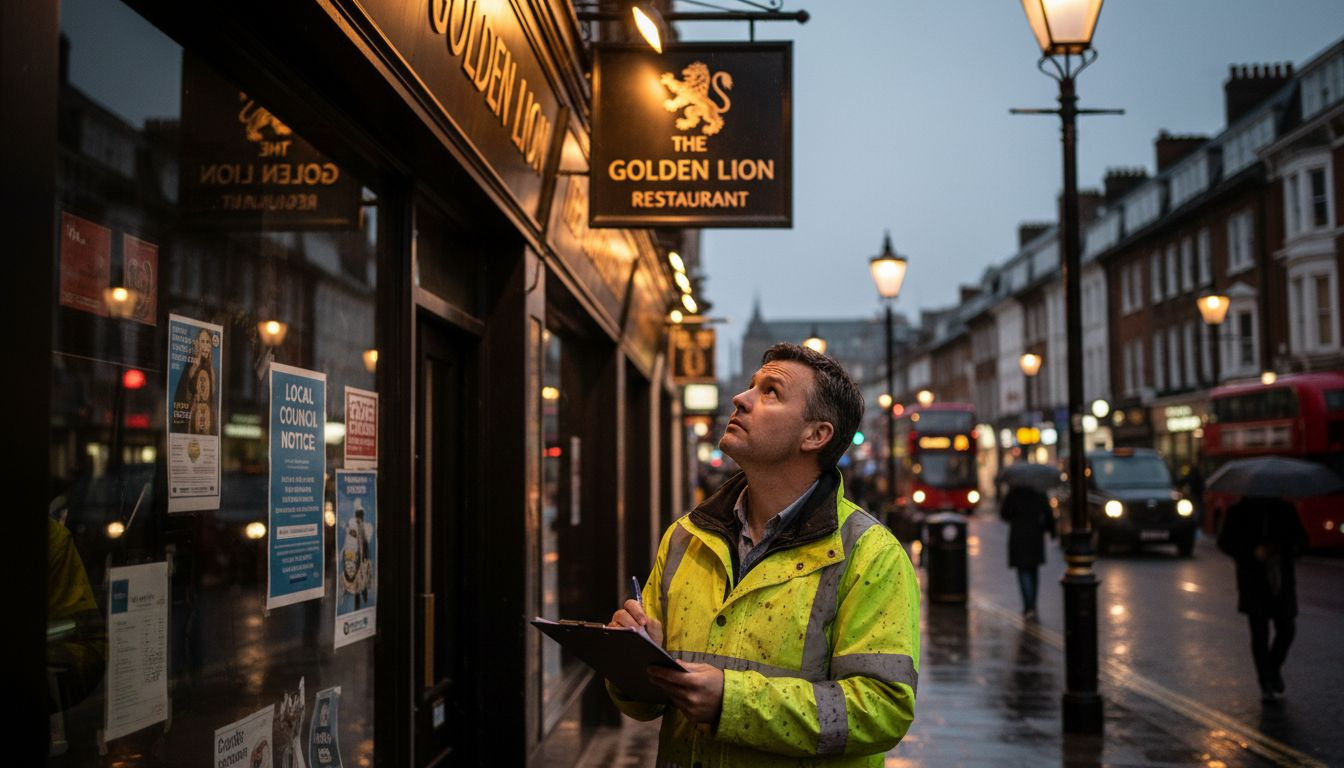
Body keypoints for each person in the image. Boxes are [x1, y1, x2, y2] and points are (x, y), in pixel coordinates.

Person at [608, 343, 919, 766]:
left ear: (816, 435)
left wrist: (730, 702)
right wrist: (633, 659)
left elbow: (882, 711)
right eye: (752, 385)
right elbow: (646, 706)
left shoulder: (870, 555)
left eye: (771, 391)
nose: (741, 398)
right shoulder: (686, 536)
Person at [1216, 496, 1308, 703]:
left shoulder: (1285, 508)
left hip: (1280, 580)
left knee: (1287, 629)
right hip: (1253, 579)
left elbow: (1301, 540)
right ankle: (1266, 682)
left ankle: (1272, 669)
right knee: (1260, 633)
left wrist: (1282, 549)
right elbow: (1225, 542)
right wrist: (1251, 552)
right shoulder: (1238, 510)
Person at [998, 482, 1055, 619]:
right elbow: (1048, 513)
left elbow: (1004, 514)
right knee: (1033, 571)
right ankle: (1032, 604)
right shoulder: (1039, 492)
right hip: (1035, 536)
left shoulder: (1014, 493)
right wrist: (1050, 530)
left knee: (1023, 571)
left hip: (1018, 536)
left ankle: (1029, 606)